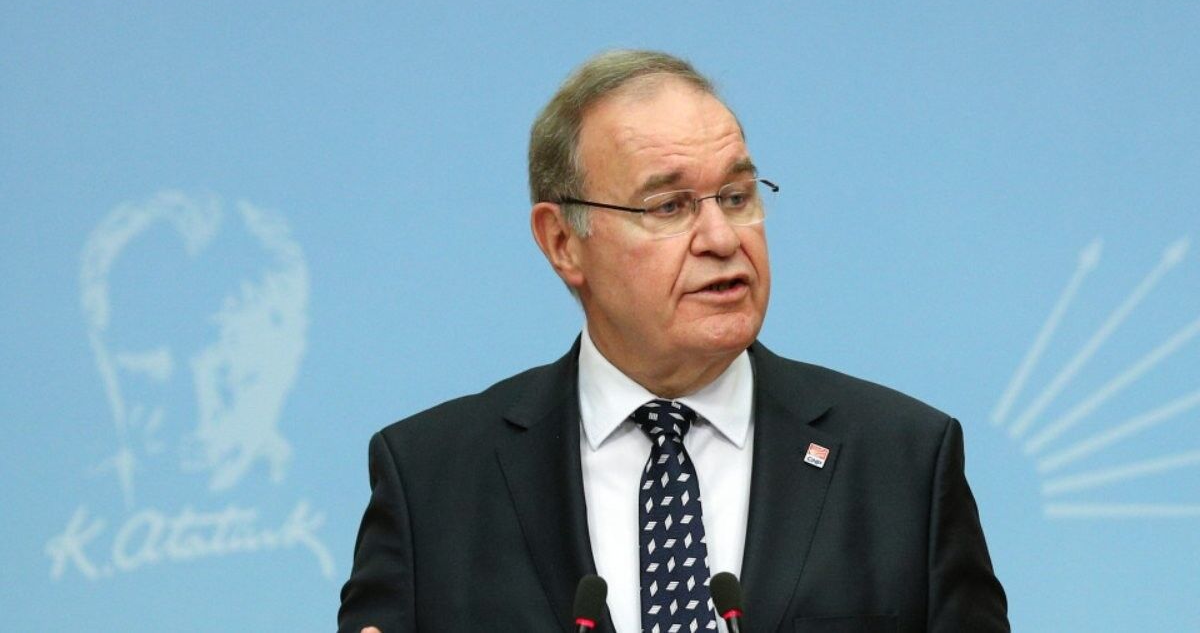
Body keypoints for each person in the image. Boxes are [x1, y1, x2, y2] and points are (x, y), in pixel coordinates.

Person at [338, 50, 1009, 633]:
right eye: (669, 206)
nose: (721, 238)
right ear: (563, 241)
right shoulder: (431, 481)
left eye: (737, 196)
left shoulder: (904, 462)